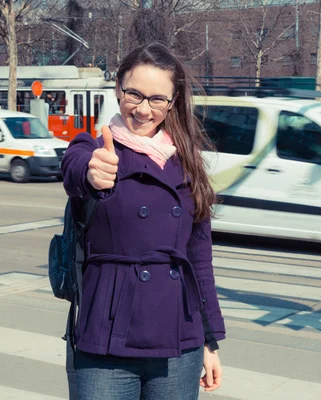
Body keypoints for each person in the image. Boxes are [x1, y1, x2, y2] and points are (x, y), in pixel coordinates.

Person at [61, 42, 225, 400]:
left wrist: (210, 341)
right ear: (118, 86)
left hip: (180, 340)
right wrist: (91, 173)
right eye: (133, 94)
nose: (142, 109)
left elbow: (199, 261)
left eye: (157, 100)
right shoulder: (94, 148)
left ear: (173, 101)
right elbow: (73, 168)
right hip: (106, 338)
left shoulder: (187, 162)